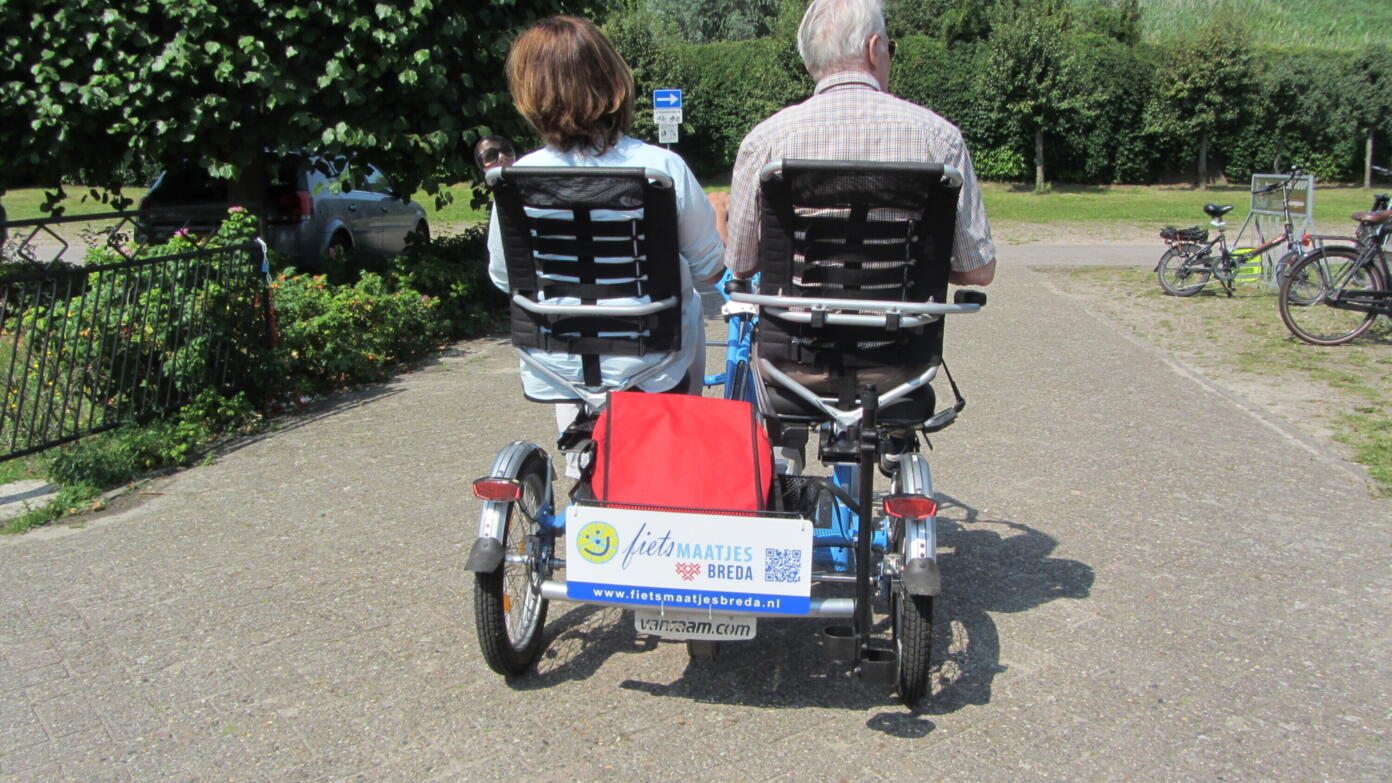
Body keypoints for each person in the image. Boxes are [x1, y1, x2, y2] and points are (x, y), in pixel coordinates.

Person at [486, 15, 724, 452]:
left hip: (559, 362)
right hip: (653, 363)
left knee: (574, 343)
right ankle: (675, 450)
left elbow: (505, 278)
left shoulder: (515, 180)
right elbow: (710, 268)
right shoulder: (660, 169)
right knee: (688, 299)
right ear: (613, 81)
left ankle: (579, 461)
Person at [722, 0, 995, 287]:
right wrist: (925, 265)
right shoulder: (940, 140)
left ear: (809, 62)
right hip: (903, 317)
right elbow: (978, 271)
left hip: (796, 317)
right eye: (890, 49)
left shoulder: (763, 143)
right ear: (874, 49)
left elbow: (741, 265)